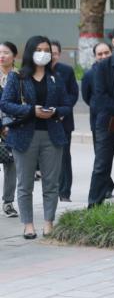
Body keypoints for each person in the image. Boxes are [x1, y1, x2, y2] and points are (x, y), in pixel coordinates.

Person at [0, 36, 74, 239]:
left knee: (51, 183)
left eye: (47, 50)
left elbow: (67, 105)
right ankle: (28, 225)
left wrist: (55, 111)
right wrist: (31, 110)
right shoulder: (17, 77)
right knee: (25, 184)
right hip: (24, 136)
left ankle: (49, 222)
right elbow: (5, 103)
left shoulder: (55, 77)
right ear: (30, 52)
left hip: (52, 135)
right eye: (39, 49)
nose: (43, 53)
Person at [87, 37, 114, 207]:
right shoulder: (102, 67)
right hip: (107, 123)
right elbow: (99, 97)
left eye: (106, 52)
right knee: (101, 165)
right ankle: (94, 205)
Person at [49, 40, 79, 202]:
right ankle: (50, 191)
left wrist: (62, 111)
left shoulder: (66, 71)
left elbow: (74, 94)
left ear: (59, 54)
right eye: (49, 53)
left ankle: (64, 192)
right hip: (43, 121)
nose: (52, 56)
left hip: (63, 120)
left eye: (55, 53)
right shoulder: (38, 70)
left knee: (64, 157)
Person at [0, 41, 19, 218]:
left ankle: (8, 202)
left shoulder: (20, 77)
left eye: (6, 52)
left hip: (13, 127)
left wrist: (10, 125)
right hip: (2, 126)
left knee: (10, 164)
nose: (2, 56)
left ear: (14, 56)